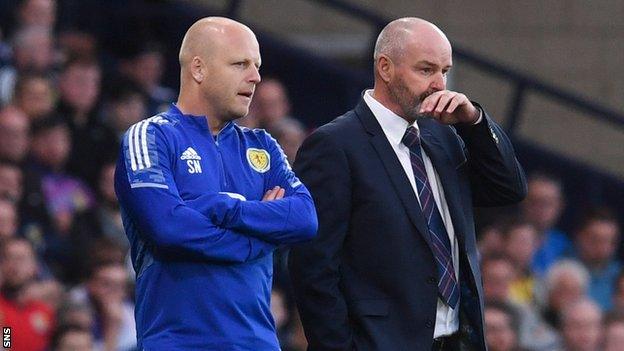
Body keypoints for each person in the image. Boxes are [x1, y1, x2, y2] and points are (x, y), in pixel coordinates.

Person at [289, 17, 527, 351]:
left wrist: (474, 121)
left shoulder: (445, 134)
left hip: (457, 340)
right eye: (426, 70)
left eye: (444, 71)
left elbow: (509, 189)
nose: (439, 84)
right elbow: (313, 268)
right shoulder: (334, 144)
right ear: (385, 68)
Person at [114, 17, 317, 350]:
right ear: (198, 69)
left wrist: (221, 207)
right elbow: (168, 228)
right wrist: (261, 236)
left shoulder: (262, 145)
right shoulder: (150, 137)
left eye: (257, 65)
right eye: (240, 64)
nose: (255, 77)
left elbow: (305, 218)